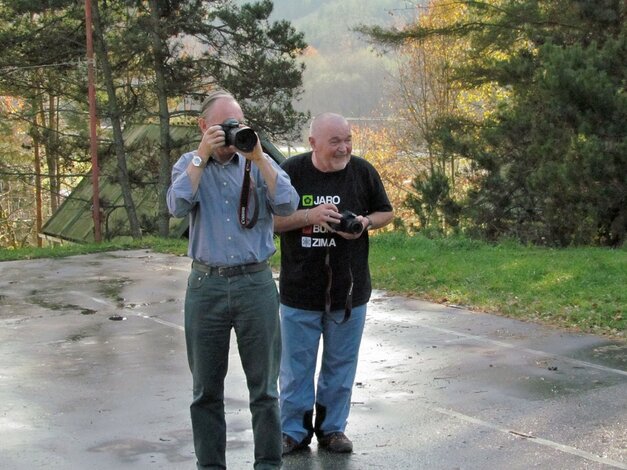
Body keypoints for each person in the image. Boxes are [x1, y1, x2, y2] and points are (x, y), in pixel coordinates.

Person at [167, 90, 299, 469]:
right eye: (223, 125)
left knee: (264, 390)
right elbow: (175, 206)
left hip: (254, 283)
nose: (230, 132)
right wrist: (201, 155)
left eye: (236, 124)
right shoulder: (189, 164)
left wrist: (258, 156)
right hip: (206, 285)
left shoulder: (256, 163)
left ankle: (268, 465)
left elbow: (289, 204)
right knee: (205, 390)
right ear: (204, 126)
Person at [274, 113, 394, 455]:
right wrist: (308, 216)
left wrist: (364, 222)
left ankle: (332, 430)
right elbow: (270, 221)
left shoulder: (362, 171)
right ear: (312, 143)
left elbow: (387, 212)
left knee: (340, 367)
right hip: (300, 290)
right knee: (296, 369)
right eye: (335, 142)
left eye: (348, 140)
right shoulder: (291, 171)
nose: (344, 148)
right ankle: (292, 432)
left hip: (349, 292)